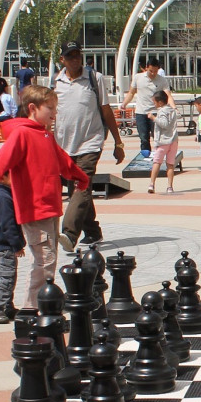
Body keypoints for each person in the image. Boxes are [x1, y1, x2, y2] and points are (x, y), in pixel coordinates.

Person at [0, 85, 90, 310]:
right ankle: (33, 309)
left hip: (50, 207)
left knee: (48, 260)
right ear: (32, 108)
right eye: (50, 109)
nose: (54, 114)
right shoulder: (22, 134)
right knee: (44, 261)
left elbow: (63, 161)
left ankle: (40, 306)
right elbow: (0, 163)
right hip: (35, 208)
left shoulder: (45, 134)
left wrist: (81, 178)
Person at [52, 41, 125, 251]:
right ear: (62, 60)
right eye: (70, 56)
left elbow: (106, 109)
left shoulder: (95, 78)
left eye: (78, 55)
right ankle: (93, 232)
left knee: (81, 185)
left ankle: (69, 234)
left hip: (90, 142)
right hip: (63, 146)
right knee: (76, 188)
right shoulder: (55, 82)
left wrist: (117, 142)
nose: (75, 59)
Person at [0, 166, 25, 324]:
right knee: (6, 280)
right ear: (2, 177)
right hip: (3, 248)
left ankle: (7, 306)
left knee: (10, 278)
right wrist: (17, 244)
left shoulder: (2, 193)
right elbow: (8, 225)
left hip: (2, 248)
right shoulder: (2, 197)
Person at [120, 59, 173, 156]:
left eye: (156, 71)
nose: (153, 73)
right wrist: (124, 103)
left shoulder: (162, 80)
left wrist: (173, 107)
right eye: (151, 71)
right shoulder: (138, 77)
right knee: (143, 137)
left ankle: (159, 156)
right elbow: (131, 92)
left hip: (156, 112)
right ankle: (145, 155)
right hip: (141, 112)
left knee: (157, 136)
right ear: (146, 68)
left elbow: (168, 95)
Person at [147, 89, 179, 194]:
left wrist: (153, 118)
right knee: (170, 164)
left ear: (160, 102)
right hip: (173, 140)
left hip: (163, 141)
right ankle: (170, 186)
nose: (154, 104)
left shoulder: (162, 111)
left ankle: (152, 184)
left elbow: (164, 124)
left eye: (154, 102)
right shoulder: (172, 111)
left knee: (157, 162)